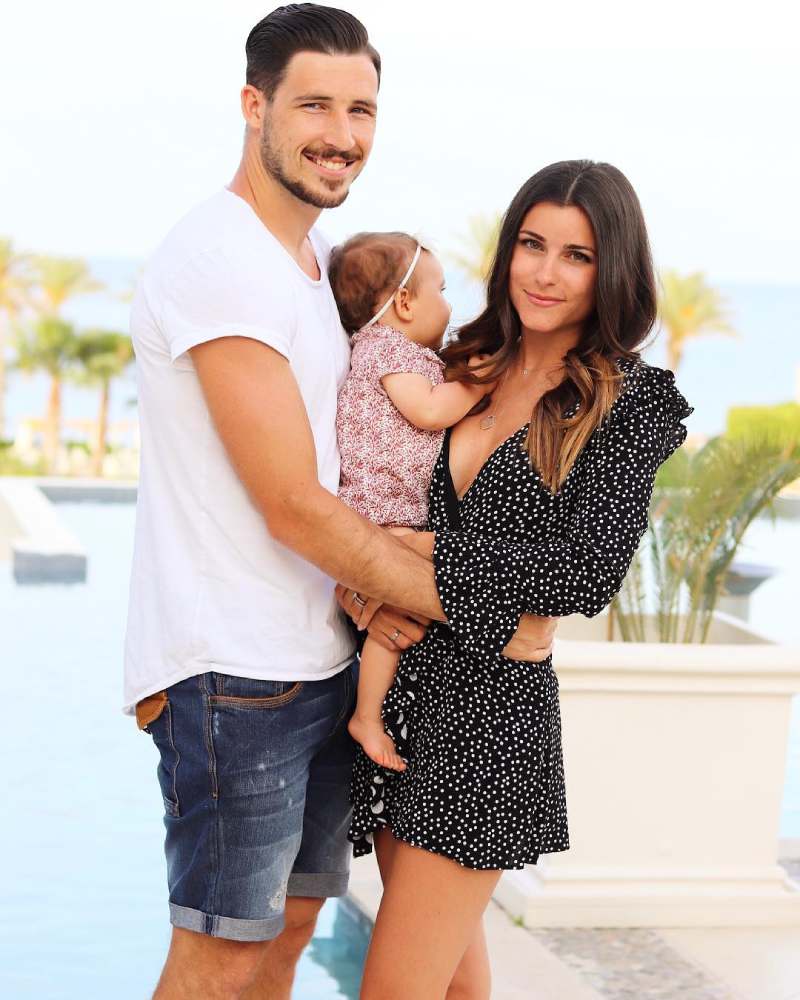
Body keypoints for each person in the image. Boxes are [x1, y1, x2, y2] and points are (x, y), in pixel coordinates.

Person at [124, 6, 555, 998]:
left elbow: (351, 461)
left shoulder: (312, 269)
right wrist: (475, 604)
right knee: (224, 952)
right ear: (253, 105)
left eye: (360, 108)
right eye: (313, 103)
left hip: (313, 658)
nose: (340, 132)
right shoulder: (219, 261)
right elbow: (291, 503)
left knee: (289, 934)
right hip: (231, 673)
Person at [344, 159, 693, 1000]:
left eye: (576, 255)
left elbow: (581, 574)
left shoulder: (628, 401)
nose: (544, 272)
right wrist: (364, 586)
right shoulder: (462, 361)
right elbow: (358, 482)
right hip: (395, 703)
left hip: (486, 724)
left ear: (613, 271)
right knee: (456, 988)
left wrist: (421, 554)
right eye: (531, 244)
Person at [329, 232, 494, 771]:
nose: (449, 305)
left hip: (391, 507)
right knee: (393, 623)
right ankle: (367, 717)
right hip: (381, 510)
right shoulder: (385, 350)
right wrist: (479, 383)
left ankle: (371, 714)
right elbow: (427, 411)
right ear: (404, 302)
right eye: (441, 289)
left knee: (397, 620)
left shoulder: (401, 352)